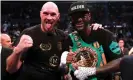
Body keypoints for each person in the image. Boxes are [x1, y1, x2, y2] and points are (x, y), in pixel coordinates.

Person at [6, 2, 69, 80]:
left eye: (53, 14)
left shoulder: (63, 36)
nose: (49, 18)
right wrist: (17, 51)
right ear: (40, 14)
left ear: (58, 16)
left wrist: (66, 71)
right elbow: (10, 69)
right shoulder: (28, 33)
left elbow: (66, 67)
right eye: (45, 13)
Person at [62, 1, 121, 80]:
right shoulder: (68, 39)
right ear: (71, 20)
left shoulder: (105, 35)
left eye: (82, 15)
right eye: (75, 16)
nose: (79, 19)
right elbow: (64, 70)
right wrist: (64, 65)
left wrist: (93, 71)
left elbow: (120, 61)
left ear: (89, 16)